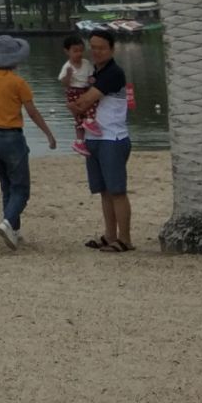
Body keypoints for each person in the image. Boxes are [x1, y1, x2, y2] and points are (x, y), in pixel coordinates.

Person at [0, 33, 56, 249]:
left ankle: (13, 230)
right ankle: (7, 222)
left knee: (6, 185)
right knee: (21, 188)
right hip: (11, 137)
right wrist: (48, 134)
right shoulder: (18, 83)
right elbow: (32, 112)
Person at [73, 28, 133, 251]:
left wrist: (76, 104)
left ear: (112, 49)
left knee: (117, 191)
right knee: (104, 191)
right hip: (93, 137)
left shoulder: (113, 73)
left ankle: (125, 239)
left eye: (102, 48)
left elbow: (84, 102)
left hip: (112, 138)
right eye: (94, 47)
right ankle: (109, 235)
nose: (97, 52)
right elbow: (77, 103)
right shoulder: (92, 73)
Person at [58, 34, 102, 156]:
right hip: (73, 91)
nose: (79, 54)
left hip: (85, 89)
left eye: (81, 51)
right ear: (67, 51)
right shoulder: (67, 67)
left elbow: (91, 77)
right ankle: (80, 139)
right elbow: (64, 83)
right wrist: (68, 75)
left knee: (93, 101)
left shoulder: (86, 63)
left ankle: (88, 122)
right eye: (75, 51)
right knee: (79, 116)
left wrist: (91, 80)